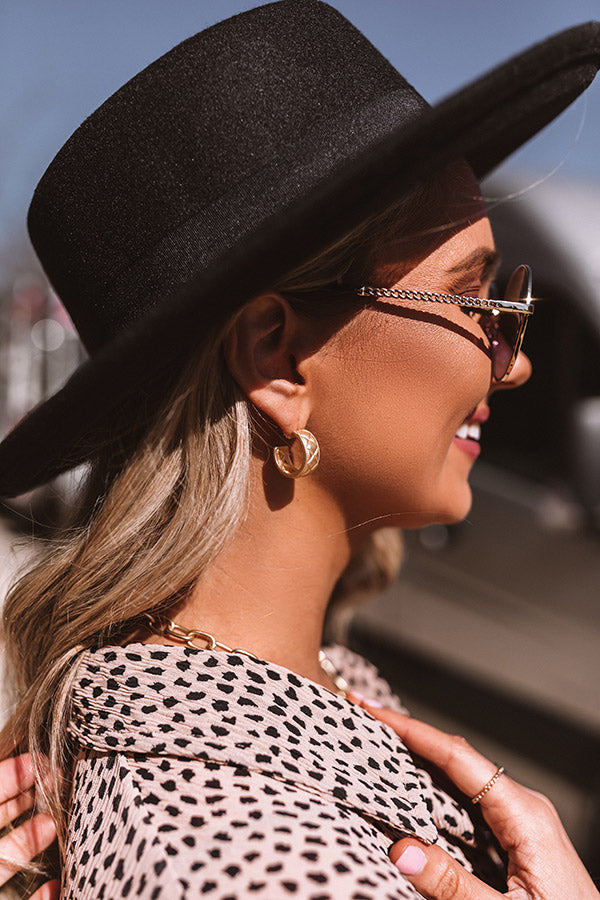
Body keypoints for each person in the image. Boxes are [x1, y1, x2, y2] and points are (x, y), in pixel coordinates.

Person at [0, 3, 598, 897]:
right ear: (276, 357)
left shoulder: (225, 712)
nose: (510, 366)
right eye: (477, 304)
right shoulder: (252, 858)